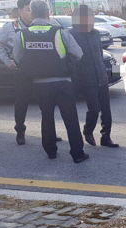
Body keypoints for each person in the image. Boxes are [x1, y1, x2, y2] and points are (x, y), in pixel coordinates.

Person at [13, 0, 89, 163]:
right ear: (48, 13)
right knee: (70, 118)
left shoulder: (22, 34)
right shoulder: (59, 32)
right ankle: (77, 153)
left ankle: (51, 151)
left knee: (46, 117)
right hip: (62, 82)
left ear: (32, 13)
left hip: (39, 84)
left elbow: (18, 58)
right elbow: (78, 53)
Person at [0, 0, 61, 145]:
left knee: (47, 104)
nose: (31, 12)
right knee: (21, 103)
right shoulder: (11, 27)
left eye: (32, 9)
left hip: (43, 72)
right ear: (20, 11)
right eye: (28, 9)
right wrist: (7, 61)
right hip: (23, 72)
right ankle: (20, 130)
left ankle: (50, 133)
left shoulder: (48, 24)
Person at [70, 5, 119, 148]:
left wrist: (112, 75)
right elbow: (71, 60)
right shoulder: (72, 35)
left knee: (107, 111)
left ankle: (106, 138)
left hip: (101, 78)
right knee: (95, 109)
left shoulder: (96, 33)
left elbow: (100, 54)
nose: (91, 21)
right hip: (86, 80)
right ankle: (88, 131)